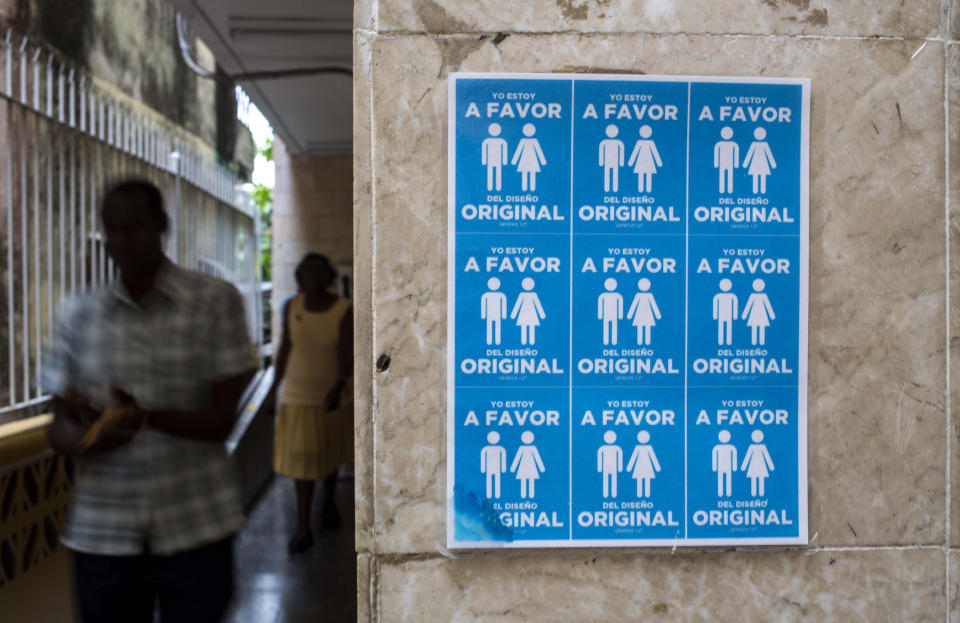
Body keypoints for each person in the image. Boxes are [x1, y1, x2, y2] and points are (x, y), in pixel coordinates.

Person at [43, 179, 258, 623]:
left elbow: (222, 420)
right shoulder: (79, 314)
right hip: (104, 532)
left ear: (162, 224)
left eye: (135, 227)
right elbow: (58, 424)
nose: (122, 240)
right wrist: (87, 437)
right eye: (113, 229)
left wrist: (146, 417)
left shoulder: (214, 303)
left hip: (195, 524)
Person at [271, 253, 353, 554]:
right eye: (307, 270)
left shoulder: (344, 309)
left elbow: (347, 353)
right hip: (296, 395)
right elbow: (285, 348)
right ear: (300, 276)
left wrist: (339, 384)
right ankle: (303, 526)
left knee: (328, 454)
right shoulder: (291, 306)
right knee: (302, 459)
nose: (313, 276)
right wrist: (273, 388)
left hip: (331, 395)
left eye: (320, 270)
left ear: (329, 275)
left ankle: (329, 501)